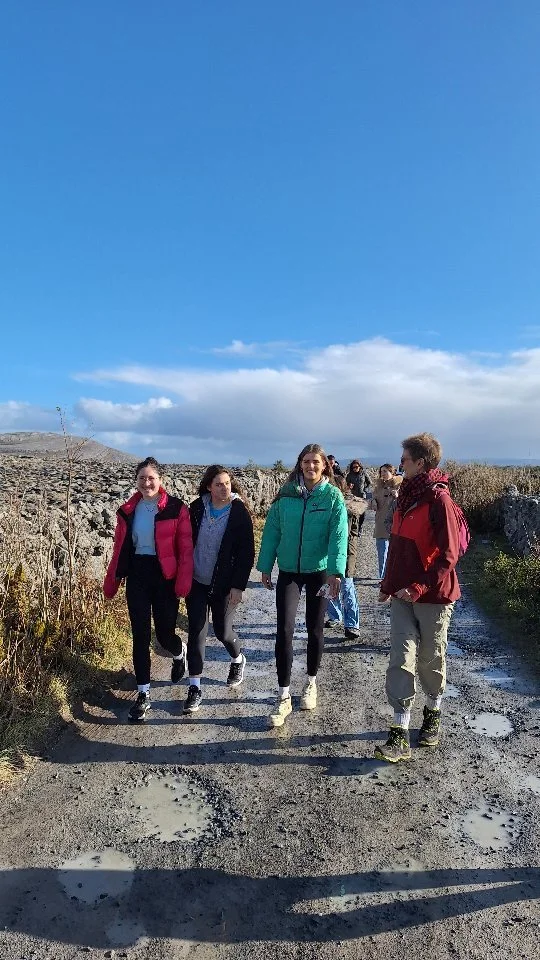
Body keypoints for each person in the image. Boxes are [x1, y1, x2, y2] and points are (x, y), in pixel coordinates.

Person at [375, 433, 461, 763]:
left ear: (421, 462)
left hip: (434, 597)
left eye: (405, 460)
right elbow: (397, 549)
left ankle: (433, 711)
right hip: (402, 597)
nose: (400, 464)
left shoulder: (439, 500)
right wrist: (388, 585)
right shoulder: (405, 496)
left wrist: (419, 587)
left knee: (430, 659)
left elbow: (449, 555)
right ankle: (399, 733)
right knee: (401, 659)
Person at [257, 443, 348, 728]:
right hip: (289, 571)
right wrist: (265, 565)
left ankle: (310, 682)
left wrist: (336, 572)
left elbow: (338, 536)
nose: (310, 466)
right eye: (306, 461)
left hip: (319, 572)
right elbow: (272, 530)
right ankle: (283, 695)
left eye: (315, 462)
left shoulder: (332, 497)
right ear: (300, 464)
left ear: (324, 466)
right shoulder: (286, 495)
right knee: (284, 630)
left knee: (315, 629)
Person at [104, 457, 193, 723]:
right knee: (140, 636)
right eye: (142, 478)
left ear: (160, 480)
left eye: (151, 478)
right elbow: (119, 547)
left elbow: (185, 549)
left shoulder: (176, 508)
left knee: (164, 636)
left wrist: (183, 582)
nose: (146, 483)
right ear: (136, 481)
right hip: (138, 575)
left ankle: (179, 652)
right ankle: (143, 694)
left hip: (165, 576)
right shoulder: (128, 510)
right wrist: (113, 579)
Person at [184, 465, 255, 714]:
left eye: (227, 483)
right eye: (218, 484)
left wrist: (238, 586)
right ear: (208, 487)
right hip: (196, 581)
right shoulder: (196, 509)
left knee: (223, 632)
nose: (224, 488)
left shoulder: (239, 512)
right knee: (196, 632)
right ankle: (194, 688)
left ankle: (237, 658)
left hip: (224, 584)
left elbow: (246, 553)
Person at [325, 477, 367, 639]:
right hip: (329, 551)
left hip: (347, 551)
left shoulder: (348, 508)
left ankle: (352, 624)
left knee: (347, 585)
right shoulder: (328, 505)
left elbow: (346, 534)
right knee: (329, 583)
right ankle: (335, 616)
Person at [370, 464, 402, 579]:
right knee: (382, 552)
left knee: (395, 553)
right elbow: (373, 498)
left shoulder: (400, 485)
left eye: (385, 471)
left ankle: (392, 577)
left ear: (392, 472)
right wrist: (373, 502)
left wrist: (397, 496)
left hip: (396, 524)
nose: (382, 474)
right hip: (380, 522)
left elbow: (406, 503)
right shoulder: (378, 487)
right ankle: (383, 578)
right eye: (381, 471)